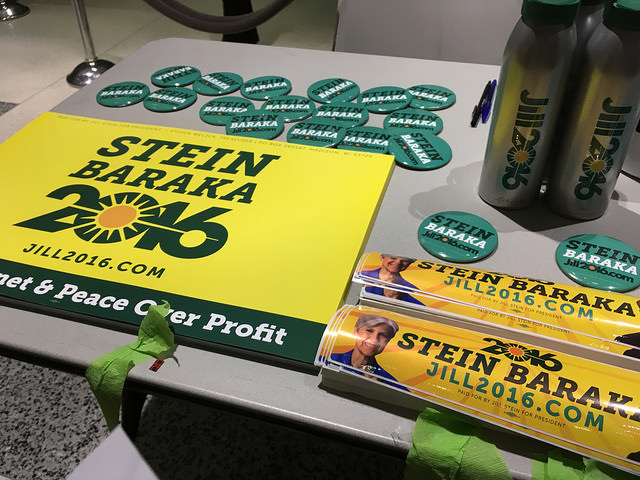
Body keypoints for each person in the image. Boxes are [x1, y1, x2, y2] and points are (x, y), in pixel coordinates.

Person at [330, 314, 408, 391]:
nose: (374, 340)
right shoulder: (328, 359)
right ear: (355, 331)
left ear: (388, 341)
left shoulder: (392, 384)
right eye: (369, 330)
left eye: (383, 335)